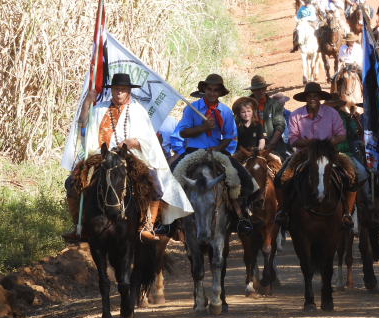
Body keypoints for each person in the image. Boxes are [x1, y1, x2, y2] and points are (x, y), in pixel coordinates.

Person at [61, 74, 192, 243]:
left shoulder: (138, 111)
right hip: (101, 156)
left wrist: (132, 142)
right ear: (111, 90)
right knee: (72, 182)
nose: (119, 92)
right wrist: (86, 104)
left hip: (131, 157)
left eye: (123, 89)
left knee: (155, 185)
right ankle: (80, 226)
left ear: (129, 91)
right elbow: (83, 127)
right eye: (116, 89)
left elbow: (149, 141)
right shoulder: (99, 109)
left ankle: (146, 226)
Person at [174, 74, 257, 234]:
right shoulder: (191, 108)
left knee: (245, 179)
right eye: (209, 89)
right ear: (204, 89)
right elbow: (183, 132)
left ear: (220, 92)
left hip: (217, 151)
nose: (212, 93)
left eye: (216, 90)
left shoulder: (225, 111)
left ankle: (240, 217)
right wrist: (202, 127)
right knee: (171, 177)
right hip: (193, 151)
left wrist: (218, 148)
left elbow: (228, 137)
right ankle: (169, 222)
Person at [273, 83, 357, 228]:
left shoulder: (332, 113)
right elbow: (292, 140)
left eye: (315, 96)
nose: (312, 99)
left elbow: (341, 135)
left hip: (329, 153)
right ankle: (283, 211)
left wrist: (330, 142)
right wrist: (311, 144)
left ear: (320, 98)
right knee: (281, 177)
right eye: (309, 96)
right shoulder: (296, 115)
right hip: (303, 154)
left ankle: (347, 213)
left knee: (352, 174)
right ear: (305, 98)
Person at [245, 75, 287, 159]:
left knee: (283, 164)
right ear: (252, 90)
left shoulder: (275, 105)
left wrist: (271, 144)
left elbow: (280, 125)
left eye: (263, 88)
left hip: (273, 147)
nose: (261, 91)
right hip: (249, 147)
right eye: (258, 89)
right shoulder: (244, 106)